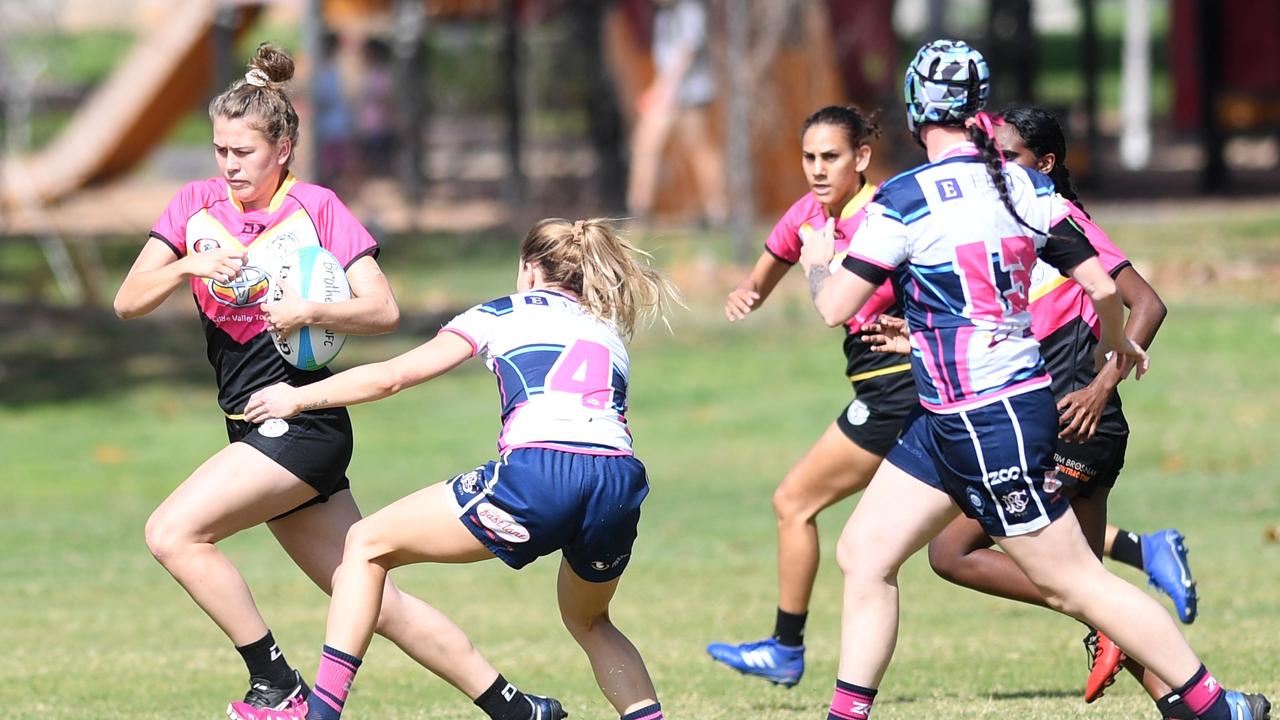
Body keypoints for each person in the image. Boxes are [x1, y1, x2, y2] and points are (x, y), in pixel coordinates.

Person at [798, 39, 1270, 720]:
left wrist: (819, 259)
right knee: (865, 551)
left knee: (1076, 583)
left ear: (913, 110)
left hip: (989, 421)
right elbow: (1101, 284)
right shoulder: (1019, 186)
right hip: (952, 417)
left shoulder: (902, 200)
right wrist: (1116, 349)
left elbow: (834, 307)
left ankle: (1214, 706)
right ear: (976, 111)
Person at [113, 44, 567, 719]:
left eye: (243, 152)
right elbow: (128, 300)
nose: (229, 165)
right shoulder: (193, 207)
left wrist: (309, 310)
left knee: (173, 532)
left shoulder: (318, 208)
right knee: (373, 601)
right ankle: (516, 708)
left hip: (302, 422)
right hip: (249, 421)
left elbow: (383, 310)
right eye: (220, 151)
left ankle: (277, 684)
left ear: (284, 147)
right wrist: (187, 267)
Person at [227, 218, 679, 720]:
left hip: (540, 473)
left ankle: (321, 714)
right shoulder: (606, 330)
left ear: (529, 270)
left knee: (364, 544)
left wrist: (298, 398)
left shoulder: (501, 312)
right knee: (591, 621)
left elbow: (393, 377)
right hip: (618, 481)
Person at [917, 103, 1201, 712]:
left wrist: (1104, 384)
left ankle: (1135, 643)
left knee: (953, 552)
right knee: (1092, 598)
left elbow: (1147, 304)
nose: (998, 167)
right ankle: (1195, 704)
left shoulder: (1061, 216)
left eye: (1011, 156)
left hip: (1077, 423)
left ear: (1044, 164)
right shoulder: (1014, 221)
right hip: (1059, 424)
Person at [704, 105, 917, 688]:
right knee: (969, 536)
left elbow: (834, 307)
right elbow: (771, 263)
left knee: (794, 501)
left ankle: (785, 647)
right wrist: (748, 292)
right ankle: (1131, 557)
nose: (818, 170)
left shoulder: (886, 214)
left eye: (832, 157)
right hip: (894, 388)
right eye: (809, 157)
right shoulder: (807, 214)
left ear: (862, 159)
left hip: (897, 388)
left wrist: (824, 265)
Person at [626, 0, 728, 225]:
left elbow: (686, 53)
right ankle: (639, 210)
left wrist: (661, 89)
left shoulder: (689, 10)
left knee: (701, 152)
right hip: (669, 93)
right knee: (645, 145)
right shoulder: (663, 15)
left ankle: (719, 213)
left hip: (692, 94)